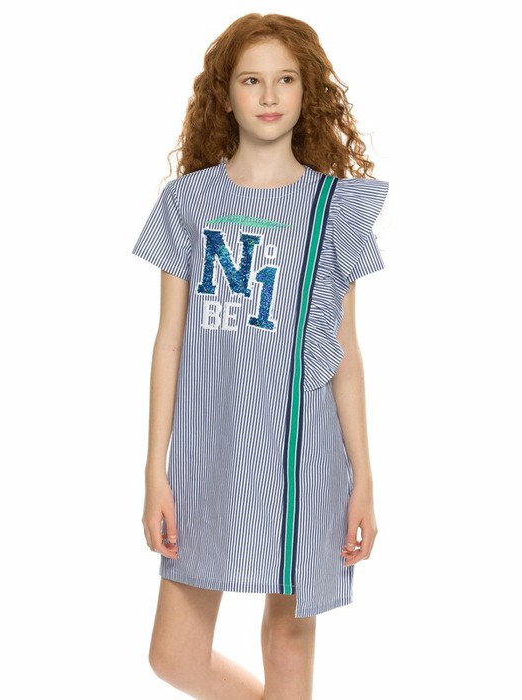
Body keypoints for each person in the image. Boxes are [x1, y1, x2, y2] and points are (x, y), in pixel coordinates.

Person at [131, 12, 389, 700]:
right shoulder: (188, 202)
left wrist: (363, 477)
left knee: (286, 645)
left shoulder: (331, 209)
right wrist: (155, 470)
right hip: (207, 456)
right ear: (225, 94)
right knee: (173, 655)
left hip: (302, 457)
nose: (269, 95)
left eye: (285, 79)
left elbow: (344, 352)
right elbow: (168, 340)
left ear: (308, 92)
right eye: (251, 80)